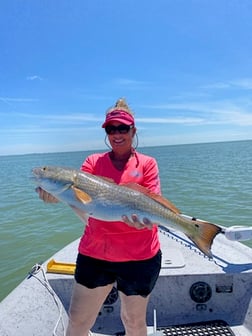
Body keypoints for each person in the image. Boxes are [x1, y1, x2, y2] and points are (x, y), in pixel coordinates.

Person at [37, 98, 162, 336]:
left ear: (133, 131)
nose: (117, 134)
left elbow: (154, 204)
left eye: (122, 128)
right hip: (96, 254)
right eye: (111, 129)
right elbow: (82, 204)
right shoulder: (92, 163)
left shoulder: (147, 164)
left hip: (140, 256)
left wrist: (142, 223)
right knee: (78, 322)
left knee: (134, 321)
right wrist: (57, 196)